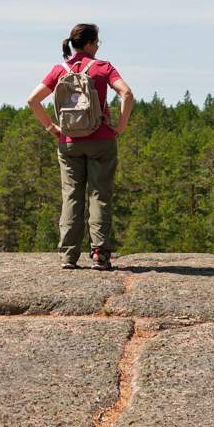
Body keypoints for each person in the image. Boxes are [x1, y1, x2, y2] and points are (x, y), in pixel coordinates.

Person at [27, 21, 134, 270]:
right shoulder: (103, 67)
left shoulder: (59, 70)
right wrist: (120, 126)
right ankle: (100, 254)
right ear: (89, 43)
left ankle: (68, 256)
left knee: (71, 196)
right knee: (99, 195)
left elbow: (33, 100)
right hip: (101, 139)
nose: (98, 46)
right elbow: (127, 94)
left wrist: (51, 128)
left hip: (69, 142)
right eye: (97, 42)